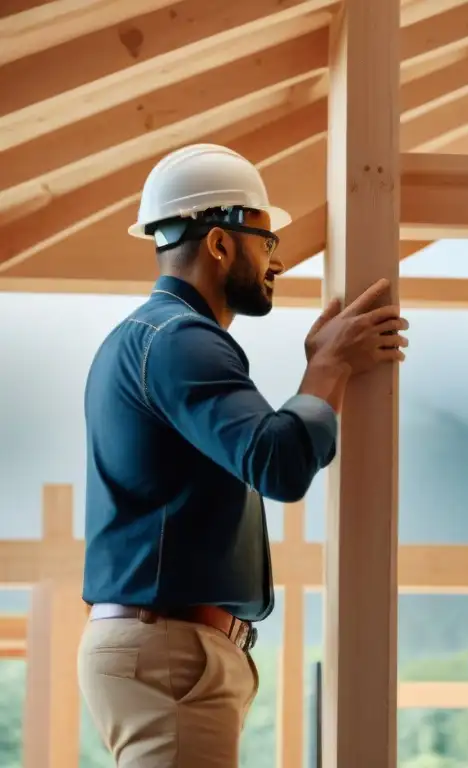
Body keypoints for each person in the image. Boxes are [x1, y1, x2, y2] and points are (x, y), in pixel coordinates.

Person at [76, 143, 409, 767]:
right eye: (266, 238)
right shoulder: (180, 341)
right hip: (168, 648)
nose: (274, 259)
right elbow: (277, 463)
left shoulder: (152, 339)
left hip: (161, 645)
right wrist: (328, 367)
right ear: (220, 244)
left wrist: (322, 375)